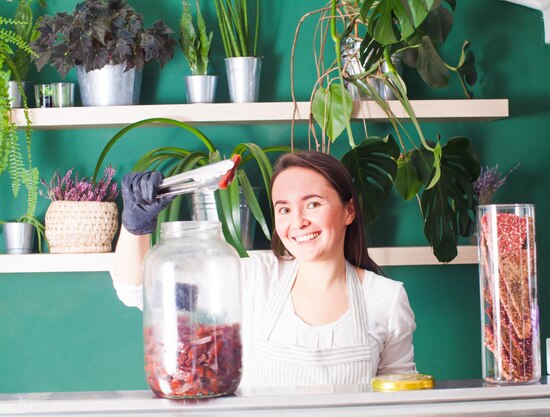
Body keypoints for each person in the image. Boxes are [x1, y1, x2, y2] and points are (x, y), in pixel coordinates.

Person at [111, 151, 416, 387]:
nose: (298, 222)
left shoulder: (386, 299)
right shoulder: (252, 278)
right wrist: (135, 226)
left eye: (313, 204)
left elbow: (401, 400)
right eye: (284, 209)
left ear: (348, 211)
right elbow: (141, 292)